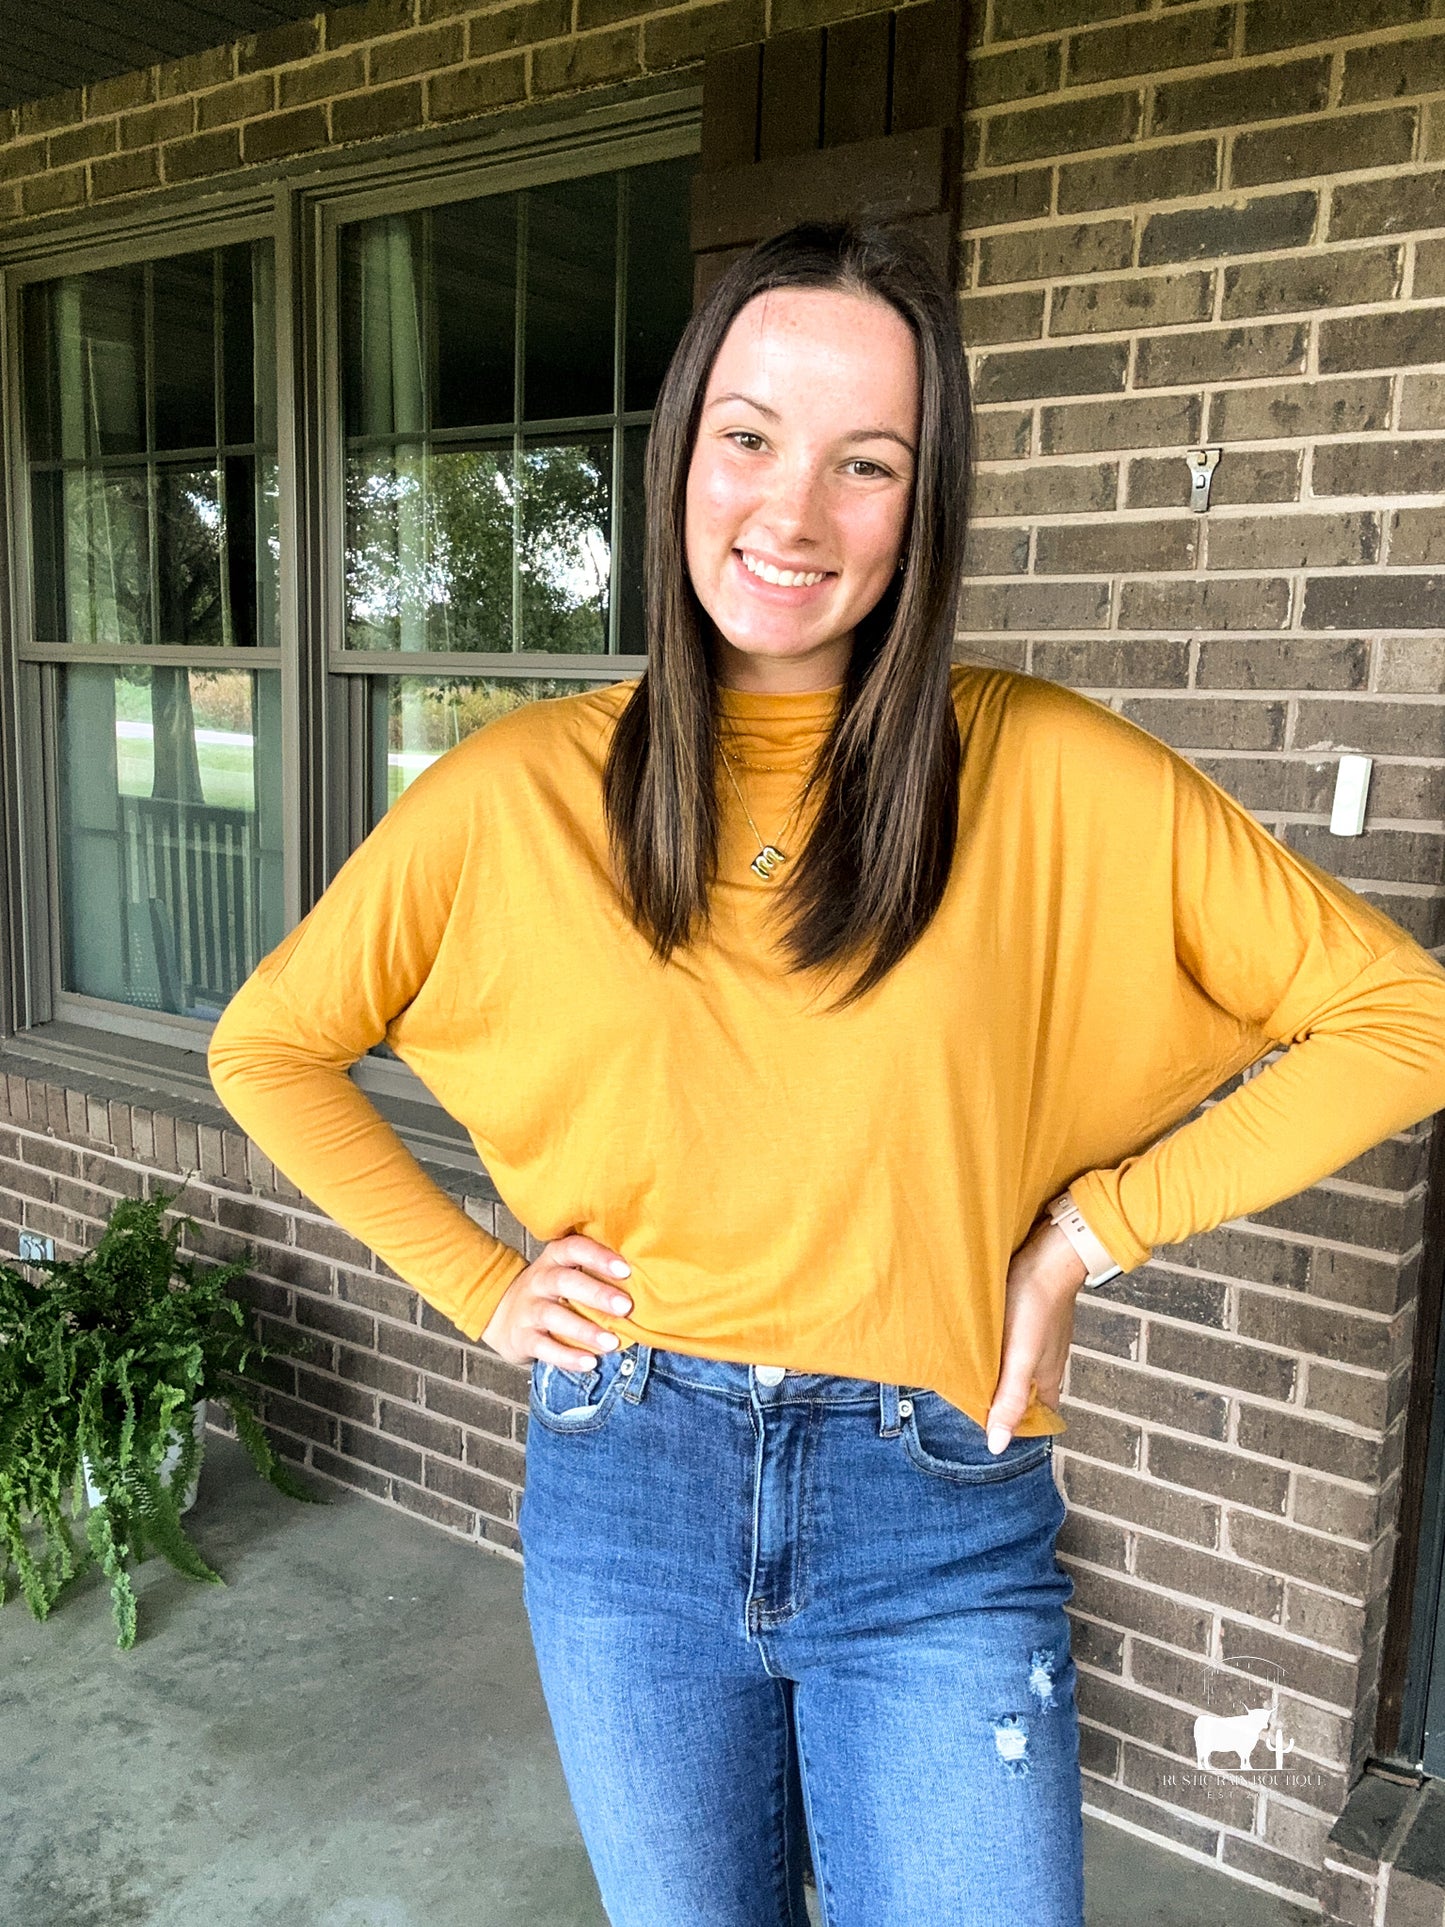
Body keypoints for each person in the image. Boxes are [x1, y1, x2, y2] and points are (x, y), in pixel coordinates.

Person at [209, 221, 1445, 1927]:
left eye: (867, 464)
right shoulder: (513, 793)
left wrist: (1093, 1232)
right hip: (625, 1477)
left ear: (921, 511)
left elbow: (1402, 1020)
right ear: (681, 456)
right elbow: (266, 1046)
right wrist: (481, 1285)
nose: (792, 515)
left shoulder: (1049, 772)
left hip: (931, 1493)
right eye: (750, 438)